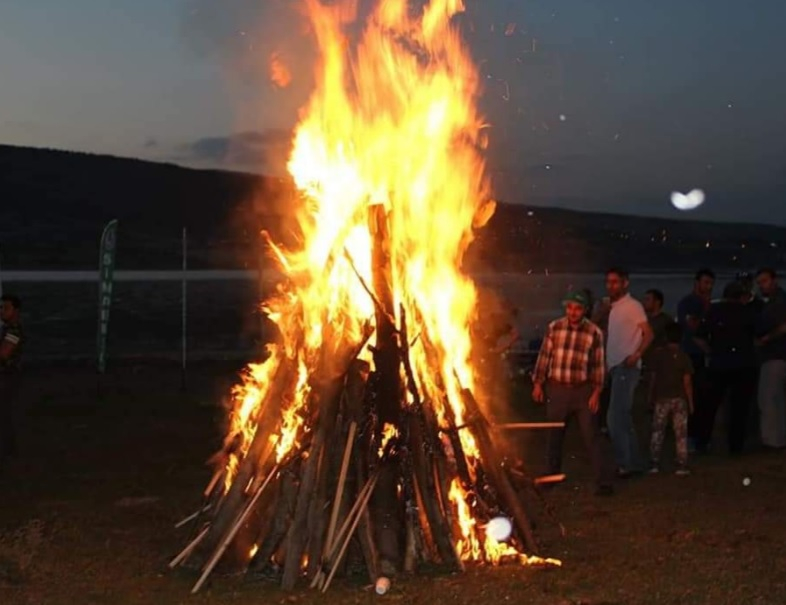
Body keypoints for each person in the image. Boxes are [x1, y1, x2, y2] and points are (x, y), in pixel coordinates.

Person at [531, 291, 613, 496]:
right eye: (569, 307)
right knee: (554, 435)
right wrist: (538, 384)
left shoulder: (594, 332)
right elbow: (544, 356)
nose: (573, 312)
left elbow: (598, 365)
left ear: (585, 310)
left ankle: (602, 481)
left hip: (583, 391)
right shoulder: (554, 328)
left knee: (591, 436)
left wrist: (596, 392)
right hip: (557, 389)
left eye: (577, 308)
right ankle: (551, 476)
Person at [693, 282, 758, 454]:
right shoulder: (748, 312)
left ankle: (702, 441)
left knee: (709, 405)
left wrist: (711, 351)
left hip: (719, 363)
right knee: (739, 408)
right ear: (742, 296)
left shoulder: (714, 310)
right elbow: (758, 335)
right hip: (744, 364)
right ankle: (735, 445)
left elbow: (698, 336)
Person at [604, 268, 653, 476]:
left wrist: (636, 354)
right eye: (609, 282)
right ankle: (635, 462)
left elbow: (649, 333)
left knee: (615, 418)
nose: (611, 285)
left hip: (627, 367)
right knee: (622, 417)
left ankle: (626, 463)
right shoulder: (614, 308)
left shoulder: (633, 306)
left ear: (625, 283)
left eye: (615, 282)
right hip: (616, 368)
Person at [648, 322, 694, 475]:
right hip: (679, 398)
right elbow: (687, 382)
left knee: (658, 431)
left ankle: (654, 462)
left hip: (662, 398)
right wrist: (691, 402)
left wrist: (650, 395)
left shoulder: (658, 355)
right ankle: (681, 463)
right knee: (680, 433)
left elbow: (653, 378)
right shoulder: (684, 357)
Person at [677, 268, 715, 448]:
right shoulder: (688, 302)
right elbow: (691, 327)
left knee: (703, 396)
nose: (708, 287)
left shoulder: (708, 304)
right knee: (691, 395)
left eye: (710, 283)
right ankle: (690, 435)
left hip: (703, 354)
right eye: (705, 282)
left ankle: (699, 436)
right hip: (692, 354)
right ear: (697, 282)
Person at [754, 268, 786, 449]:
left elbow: (783, 327)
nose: (761, 286)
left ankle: (772, 441)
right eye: (759, 283)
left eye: (764, 281)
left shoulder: (779, 302)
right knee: (777, 400)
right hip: (776, 355)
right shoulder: (773, 301)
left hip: (775, 355)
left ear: (774, 280)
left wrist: (765, 339)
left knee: (768, 399)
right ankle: (778, 438)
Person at [0, 294, 24, 466]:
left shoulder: (13, 331)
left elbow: (3, 355)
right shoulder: (10, 329)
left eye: (6, 308)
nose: (2, 311)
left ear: (16, 311)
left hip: (6, 376)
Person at [641, 289, 676, 385]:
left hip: (659, 365)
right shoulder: (642, 320)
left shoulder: (666, 321)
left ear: (657, 302)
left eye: (648, 300)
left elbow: (672, 342)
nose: (644, 303)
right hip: (643, 362)